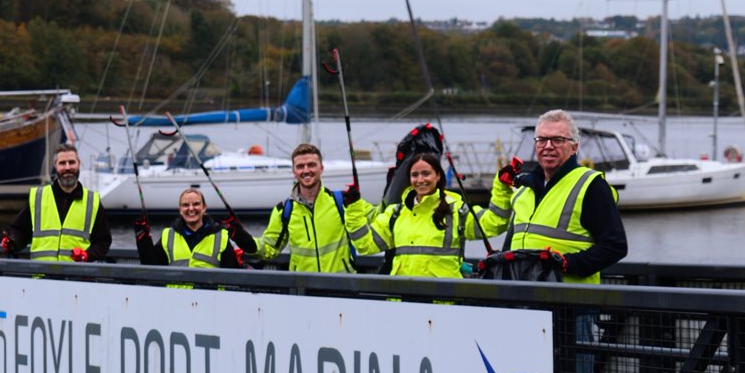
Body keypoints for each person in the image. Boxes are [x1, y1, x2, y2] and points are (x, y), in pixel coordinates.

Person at [490, 108, 628, 373]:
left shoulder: (590, 186)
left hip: (572, 309)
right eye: (541, 140)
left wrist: (571, 265)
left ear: (573, 145)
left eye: (556, 140)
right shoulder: (524, 188)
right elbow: (514, 243)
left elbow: (615, 246)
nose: (548, 147)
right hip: (525, 311)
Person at [346, 152, 505, 278]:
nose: (420, 180)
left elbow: (494, 223)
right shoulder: (396, 213)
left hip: (443, 301)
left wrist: (501, 186)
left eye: (426, 173)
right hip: (404, 300)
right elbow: (365, 245)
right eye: (415, 175)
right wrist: (353, 208)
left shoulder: (457, 210)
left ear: (438, 176)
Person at [254, 143, 369, 273]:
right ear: (294, 171)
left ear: (321, 168)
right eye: (300, 166)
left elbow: (378, 215)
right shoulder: (284, 210)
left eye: (311, 165)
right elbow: (269, 248)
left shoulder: (344, 202)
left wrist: (392, 185)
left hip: (342, 286)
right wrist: (244, 239)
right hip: (303, 288)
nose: (306, 170)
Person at [2, 143, 111, 262]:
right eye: (62, 163)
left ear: (79, 163)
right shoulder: (38, 197)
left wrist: (87, 255)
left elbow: (103, 241)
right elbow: (21, 231)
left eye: (72, 162)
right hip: (42, 276)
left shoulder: (92, 201)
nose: (68, 167)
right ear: (55, 166)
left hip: (76, 277)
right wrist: (12, 242)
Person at [134, 188, 256, 268]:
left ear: (204, 208)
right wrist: (143, 240)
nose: (191, 209)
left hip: (210, 302)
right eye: (185, 205)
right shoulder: (167, 235)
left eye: (196, 204)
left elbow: (231, 274)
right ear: (180, 210)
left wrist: (240, 235)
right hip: (175, 301)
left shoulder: (221, 236)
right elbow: (151, 268)